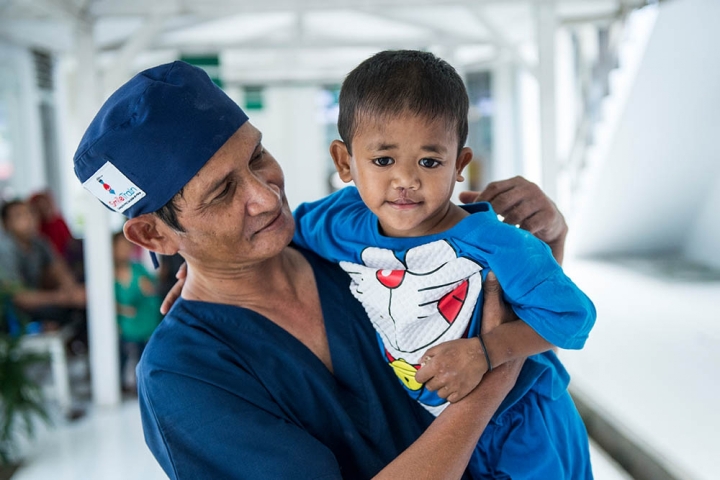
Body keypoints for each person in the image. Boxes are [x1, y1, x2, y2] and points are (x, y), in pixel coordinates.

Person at [73, 61, 569, 479]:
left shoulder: (352, 244)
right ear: (155, 236)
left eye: (258, 156)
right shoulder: (185, 374)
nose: (267, 196)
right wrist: (491, 379)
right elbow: (500, 352)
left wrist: (545, 240)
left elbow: (515, 313)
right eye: (223, 192)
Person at [292, 50, 595, 478]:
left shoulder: (497, 243)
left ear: (459, 166)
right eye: (383, 160)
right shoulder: (341, 223)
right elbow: (284, 231)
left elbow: (574, 318)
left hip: (526, 422)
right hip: (447, 430)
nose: (406, 180)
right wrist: (200, 267)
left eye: (430, 161)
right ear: (345, 162)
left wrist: (487, 352)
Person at [0, 199, 86, 330]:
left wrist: (73, 292)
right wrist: (63, 298)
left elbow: (60, 270)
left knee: (83, 299)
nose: (28, 219)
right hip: (13, 312)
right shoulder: (5, 250)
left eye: (30, 213)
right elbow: (18, 298)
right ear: (7, 223)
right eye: (19, 215)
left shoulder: (40, 242)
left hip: (38, 300)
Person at [112, 231, 161, 392]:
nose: (124, 250)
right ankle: (120, 384)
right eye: (120, 246)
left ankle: (142, 384)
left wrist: (148, 289)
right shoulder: (107, 274)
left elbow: (152, 291)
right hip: (123, 324)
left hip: (142, 321)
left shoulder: (139, 270)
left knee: (143, 354)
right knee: (123, 355)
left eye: (127, 246)